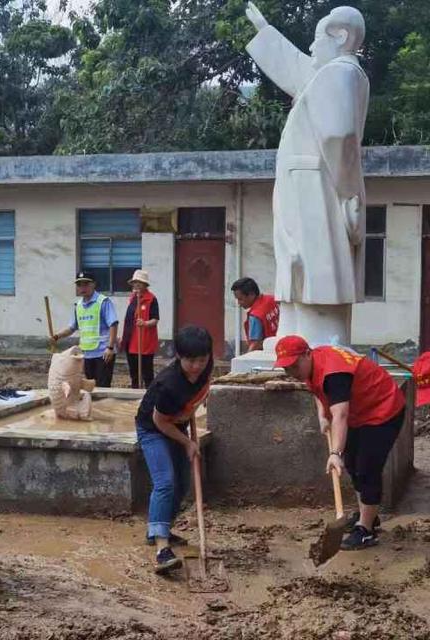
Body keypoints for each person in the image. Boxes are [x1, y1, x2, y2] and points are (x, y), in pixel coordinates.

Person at [244, 3, 370, 344]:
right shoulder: (332, 73)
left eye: (317, 39)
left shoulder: (340, 73)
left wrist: (346, 192)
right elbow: (301, 70)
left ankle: (319, 334)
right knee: (296, 257)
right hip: (305, 182)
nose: (312, 48)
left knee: (314, 260)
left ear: (341, 36)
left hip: (315, 184)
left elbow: (339, 136)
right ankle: (294, 331)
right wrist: (265, 31)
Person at [274, 335, 406, 550]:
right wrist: (322, 415)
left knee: (367, 468)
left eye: (294, 366)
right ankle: (368, 515)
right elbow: (318, 390)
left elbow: (341, 415)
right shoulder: (312, 363)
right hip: (360, 412)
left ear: (307, 354)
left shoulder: (334, 373)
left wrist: (335, 453)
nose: (292, 373)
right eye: (287, 369)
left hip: (383, 409)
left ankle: (366, 531)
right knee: (353, 464)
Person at [136, 325, 213, 574]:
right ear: (179, 356)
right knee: (165, 483)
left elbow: (201, 390)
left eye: (202, 360)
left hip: (176, 423)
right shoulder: (168, 385)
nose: (197, 366)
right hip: (153, 429)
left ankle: (161, 528)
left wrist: (191, 408)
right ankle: (161, 549)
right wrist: (188, 442)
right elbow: (160, 422)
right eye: (191, 361)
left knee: (181, 484)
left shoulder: (205, 368)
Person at [52, 272, 119, 387]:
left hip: (103, 353)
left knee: (102, 387)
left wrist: (110, 347)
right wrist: (57, 336)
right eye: (79, 285)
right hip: (87, 354)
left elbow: (113, 324)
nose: (82, 288)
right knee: (91, 387)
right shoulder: (78, 306)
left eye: (86, 284)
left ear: (94, 285)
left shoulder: (103, 302)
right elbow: (72, 328)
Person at [121, 269, 159, 388]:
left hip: (144, 342)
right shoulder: (132, 298)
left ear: (145, 284)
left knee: (147, 373)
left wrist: (145, 323)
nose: (136, 284)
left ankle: (149, 395)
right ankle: (135, 393)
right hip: (131, 341)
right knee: (134, 373)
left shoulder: (151, 299)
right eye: (135, 282)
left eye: (139, 282)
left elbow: (155, 319)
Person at [231, 277, 279, 352]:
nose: (239, 303)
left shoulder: (255, 316)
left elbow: (255, 344)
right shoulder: (272, 299)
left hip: (269, 351)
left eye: (240, 299)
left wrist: (246, 359)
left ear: (251, 294)